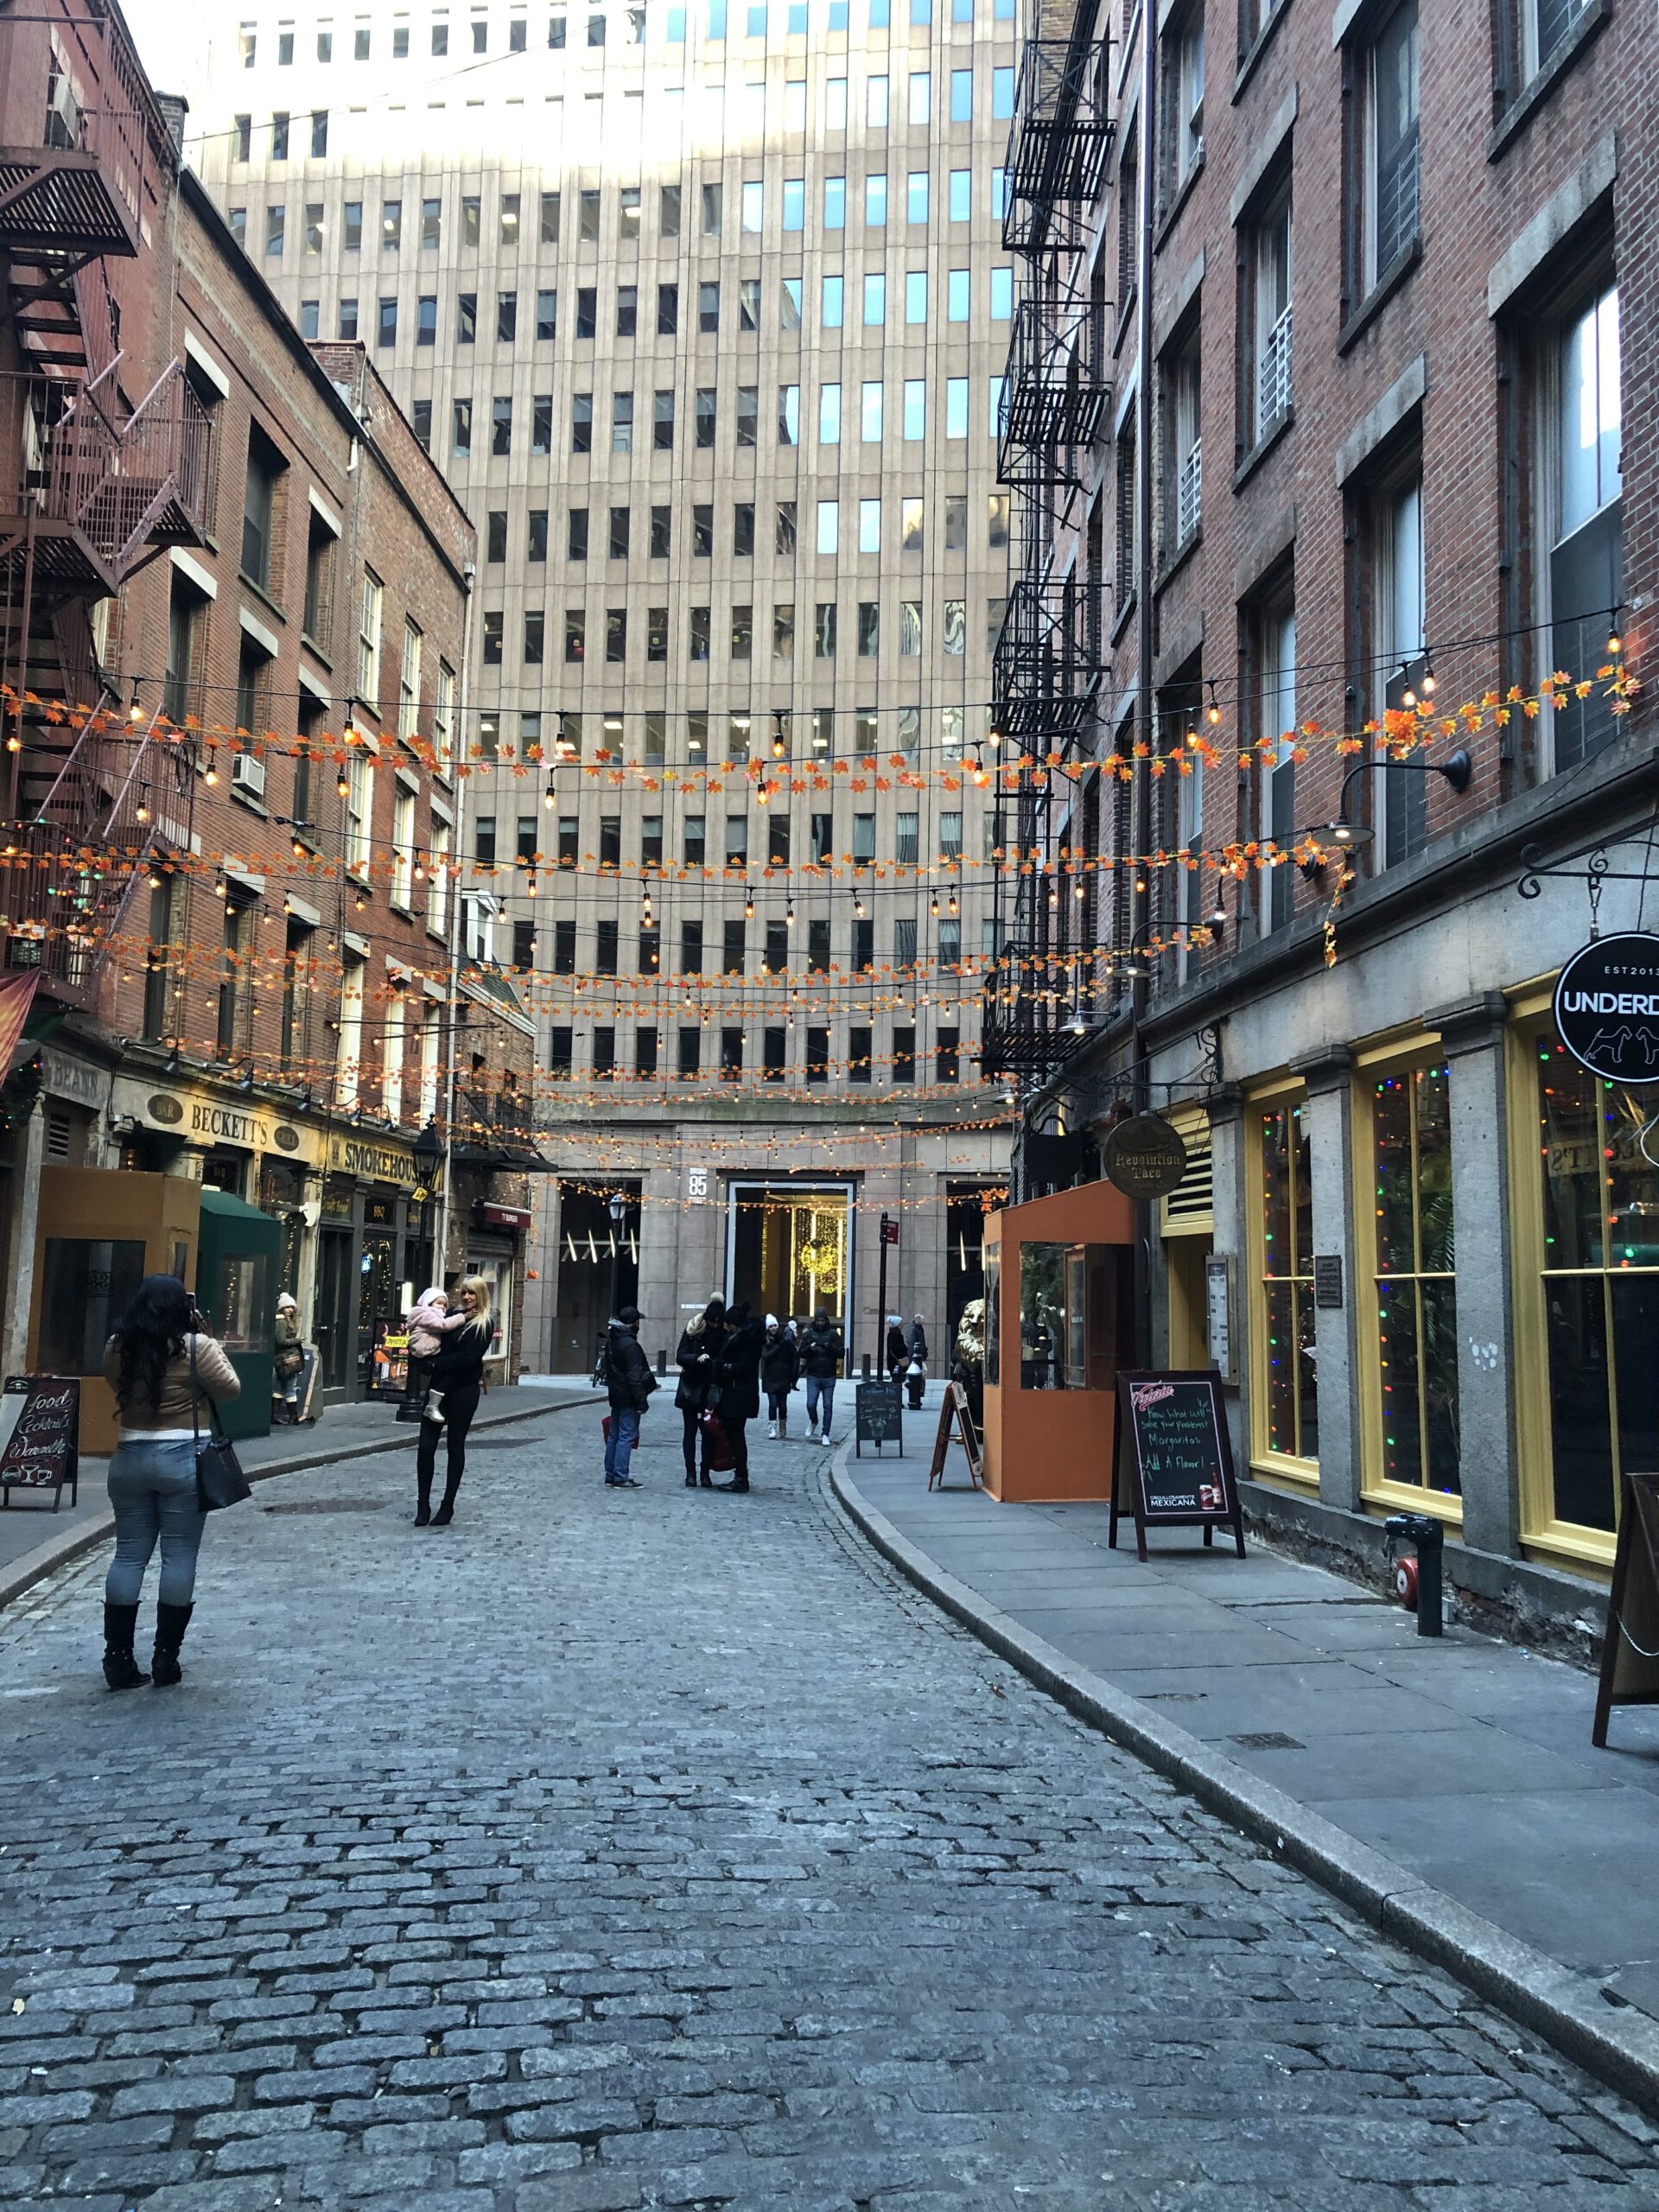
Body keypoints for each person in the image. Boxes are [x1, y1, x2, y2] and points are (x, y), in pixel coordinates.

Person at [100, 1274, 240, 1690]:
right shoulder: (195, 1347)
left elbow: (114, 1382)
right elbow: (230, 1389)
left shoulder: (117, 1345)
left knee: (128, 1556)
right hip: (181, 1458)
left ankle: (118, 1658)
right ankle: (166, 1656)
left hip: (128, 1457)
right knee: (179, 1556)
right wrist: (206, 1337)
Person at [415, 1275, 493, 1527]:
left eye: (472, 1293)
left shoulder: (484, 1322)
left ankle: (447, 1505)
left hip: (464, 1390)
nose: (467, 1297)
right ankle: (422, 1504)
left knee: (455, 1446)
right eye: (464, 1292)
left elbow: (468, 1358)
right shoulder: (449, 1316)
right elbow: (430, 1341)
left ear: (481, 1295)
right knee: (426, 1446)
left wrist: (436, 1364)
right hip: (438, 1388)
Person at [673, 1295, 728, 1489]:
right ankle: (690, 1473)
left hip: (711, 1391)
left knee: (709, 1433)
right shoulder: (694, 1330)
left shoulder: (724, 1334)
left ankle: (705, 1472)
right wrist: (697, 1358)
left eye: (718, 1322)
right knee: (690, 1432)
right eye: (712, 1321)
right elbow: (680, 1356)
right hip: (691, 1388)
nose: (715, 1325)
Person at [602, 1304, 656, 1486]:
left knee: (614, 1436)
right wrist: (642, 1402)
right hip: (628, 1396)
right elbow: (634, 1376)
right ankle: (621, 1476)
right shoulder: (631, 1344)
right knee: (626, 1437)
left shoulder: (612, 1340)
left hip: (615, 1394)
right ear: (633, 1323)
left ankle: (611, 1474)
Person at [712, 1300, 763, 1491]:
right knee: (735, 1435)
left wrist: (722, 1368)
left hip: (738, 1395)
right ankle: (740, 1475)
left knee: (736, 1436)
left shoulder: (747, 1341)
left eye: (728, 1324)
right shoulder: (741, 1339)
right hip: (736, 1394)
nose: (726, 1327)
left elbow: (742, 1368)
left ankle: (741, 1477)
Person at [798, 1307, 843, 1440]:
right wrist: (810, 1349)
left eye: (822, 1320)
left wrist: (831, 1348)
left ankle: (825, 1433)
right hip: (813, 1374)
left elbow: (842, 1353)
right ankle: (814, 1421)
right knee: (810, 1404)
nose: (820, 1323)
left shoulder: (833, 1335)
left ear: (826, 1320)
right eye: (818, 1320)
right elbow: (801, 1352)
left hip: (829, 1375)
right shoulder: (809, 1334)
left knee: (828, 1405)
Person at [761, 1313, 800, 1439]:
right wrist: (778, 1346)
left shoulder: (786, 1341)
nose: (773, 1328)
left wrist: (793, 1374)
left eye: (775, 1325)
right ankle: (772, 1428)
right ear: (767, 1328)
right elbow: (766, 1356)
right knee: (772, 1404)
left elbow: (795, 1357)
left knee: (782, 1405)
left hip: (783, 1377)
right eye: (771, 1326)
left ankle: (782, 1424)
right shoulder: (765, 1341)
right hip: (770, 1377)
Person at [272, 1293, 304, 1424]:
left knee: (279, 1388)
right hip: (287, 1359)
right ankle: (294, 1417)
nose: (290, 1310)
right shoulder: (281, 1321)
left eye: (292, 1307)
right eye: (287, 1307)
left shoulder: (285, 1321)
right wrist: (297, 1340)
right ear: (281, 1308)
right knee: (290, 1387)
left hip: (284, 1359)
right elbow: (280, 1341)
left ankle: (274, 1415)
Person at [906, 1312, 929, 1410]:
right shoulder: (914, 1330)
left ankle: (920, 1391)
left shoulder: (919, 1329)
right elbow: (913, 1344)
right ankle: (917, 1391)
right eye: (923, 1320)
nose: (924, 1321)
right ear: (919, 1320)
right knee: (922, 1372)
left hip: (920, 1355)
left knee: (922, 1372)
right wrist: (914, 1356)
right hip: (916, 1356)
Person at [886, 1314, 909, 1381]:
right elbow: (894, 1347)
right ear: (897, 1324)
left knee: (898, 1377)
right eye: (900, 1323)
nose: (902, 1324)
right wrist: (904, 1348)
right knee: (897, 1378)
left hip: (895, 1360)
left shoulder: (895, 1334)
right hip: (895, 1361)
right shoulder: (894, 1335)